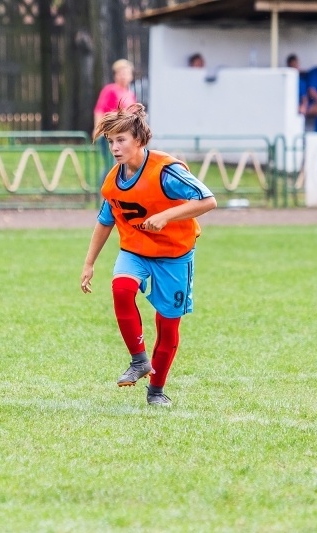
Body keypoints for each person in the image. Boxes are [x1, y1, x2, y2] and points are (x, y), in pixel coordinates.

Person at [80, 103, 217, 406]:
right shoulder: (114, 180)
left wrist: (168, 216)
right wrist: (89, 263)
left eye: (121, 140)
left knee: (167, 327)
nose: (115, 148)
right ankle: (139, 360)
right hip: (136, 250)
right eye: (110, 141)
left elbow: (208, 200)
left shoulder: (166, 171)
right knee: (121, 288)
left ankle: (156, 390)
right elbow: (106, 221)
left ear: (139, 140)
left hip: (174, 255)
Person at [93, 59, 137, 184]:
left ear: (131, 75)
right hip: (110, 133)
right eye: (121, 72)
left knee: (121, 163)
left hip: (124, 134)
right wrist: (98, 129)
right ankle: (104, 191)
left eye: (126, 72)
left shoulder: (130, 94)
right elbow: (99, 110)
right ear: (115, 75)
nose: (123, 76)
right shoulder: (110, 90)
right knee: (111, 163)